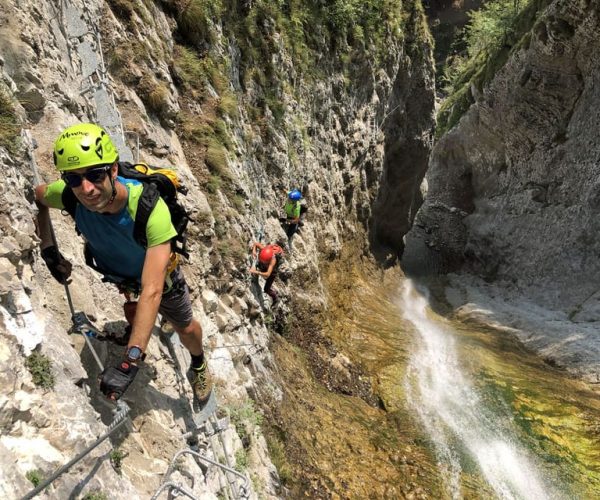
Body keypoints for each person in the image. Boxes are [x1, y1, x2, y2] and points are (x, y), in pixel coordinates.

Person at [34, 123, 213, 406]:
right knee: (136, 311)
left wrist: (131, 361)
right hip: (120, 276)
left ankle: (199, 364)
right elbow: (39, 195)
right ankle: (148, 324)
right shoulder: (70, 196)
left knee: (186, 328)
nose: (87, 188)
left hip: (159, 280)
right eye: (74, 179)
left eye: (94, 174)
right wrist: (48, 248)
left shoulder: (149, 209)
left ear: (113, 170)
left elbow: (152, 289)